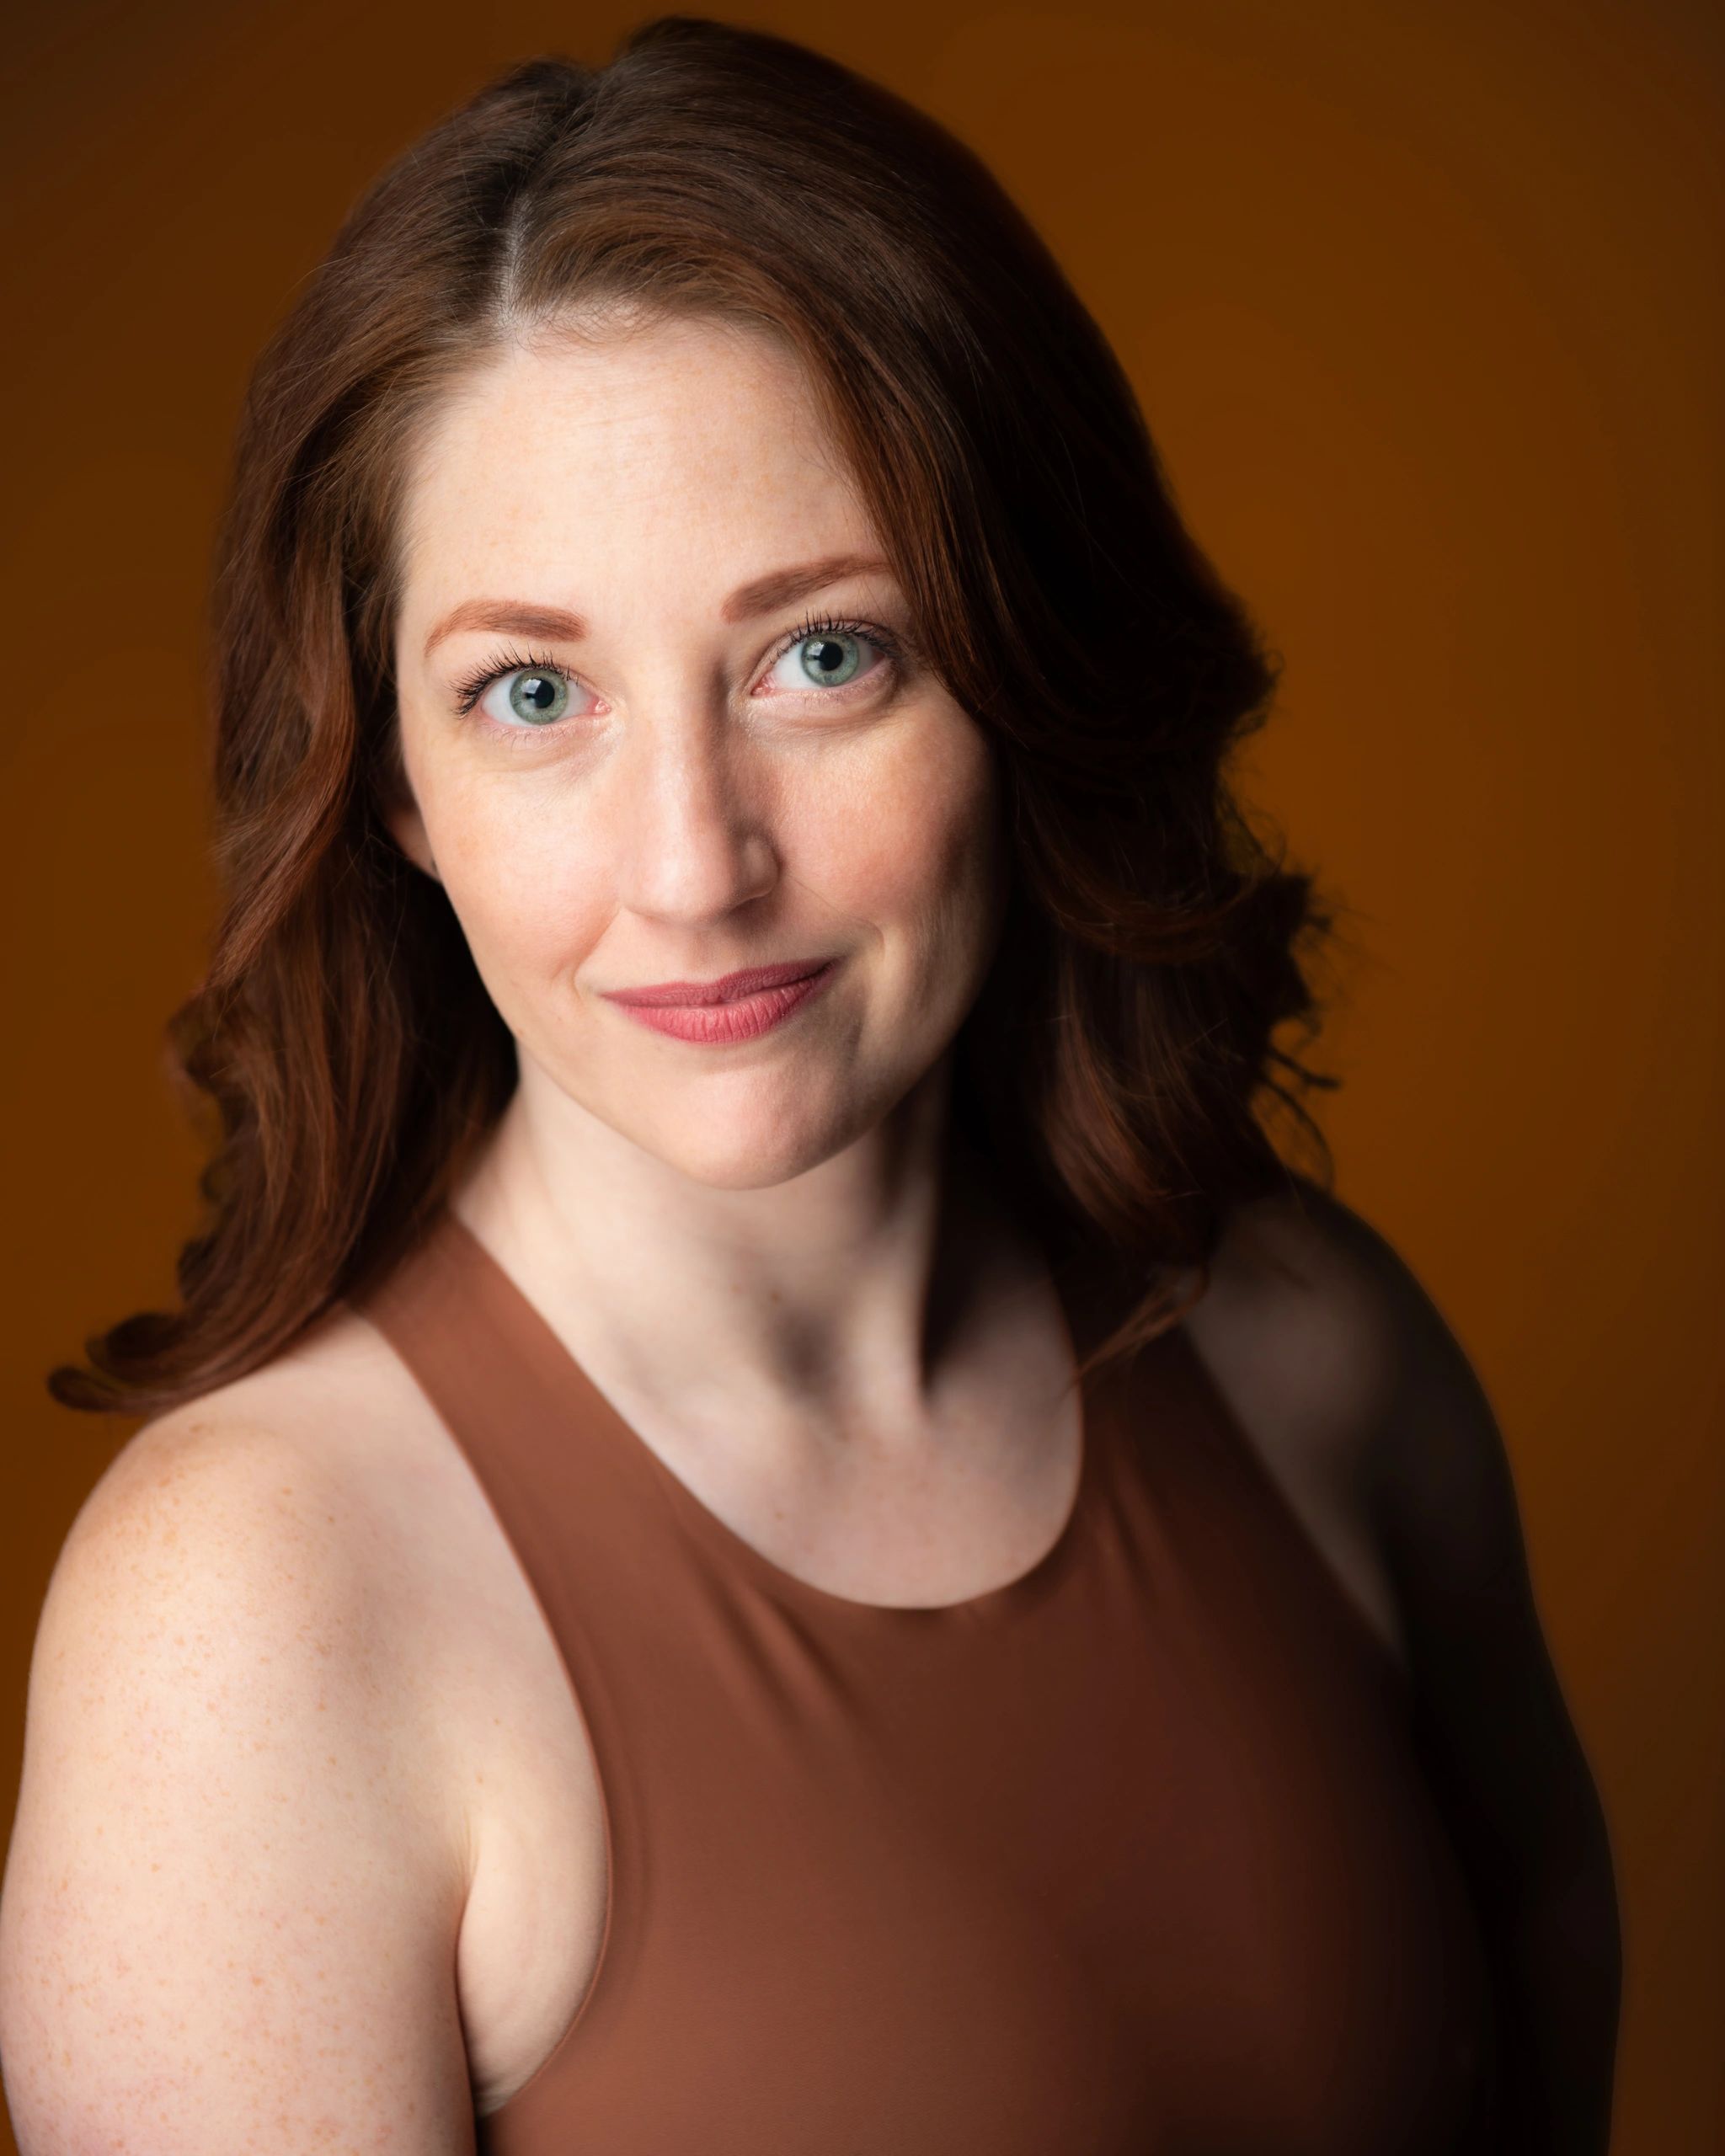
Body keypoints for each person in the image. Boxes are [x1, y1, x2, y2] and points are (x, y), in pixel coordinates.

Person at [0, 15, 1619, 2152]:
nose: (695, 864)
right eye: (533, 692)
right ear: (391, 783)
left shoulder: (1312, 1346)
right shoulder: (250, 1613)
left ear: (1026, 671)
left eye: (823, 655)